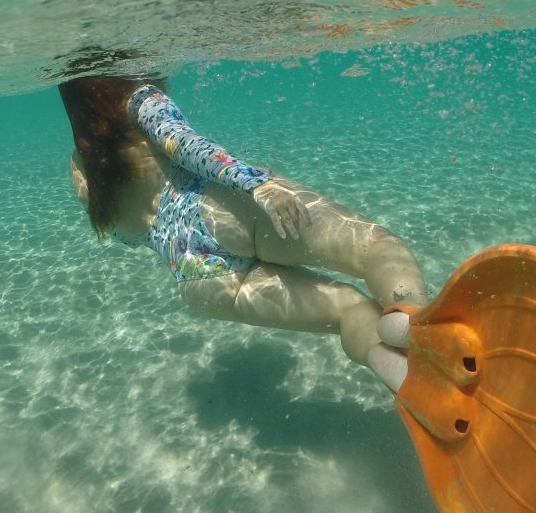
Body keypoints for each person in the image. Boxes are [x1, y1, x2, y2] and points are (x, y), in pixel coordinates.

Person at [58, 74, 427, 391]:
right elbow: (185, 145)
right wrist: (256, 185)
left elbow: (130, 233)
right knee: (374, 247)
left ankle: (405, 378)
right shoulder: (139, 99)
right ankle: (423, 332)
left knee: (350, 310)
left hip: (199, 278)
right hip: (221, 211)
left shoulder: (84, 168)